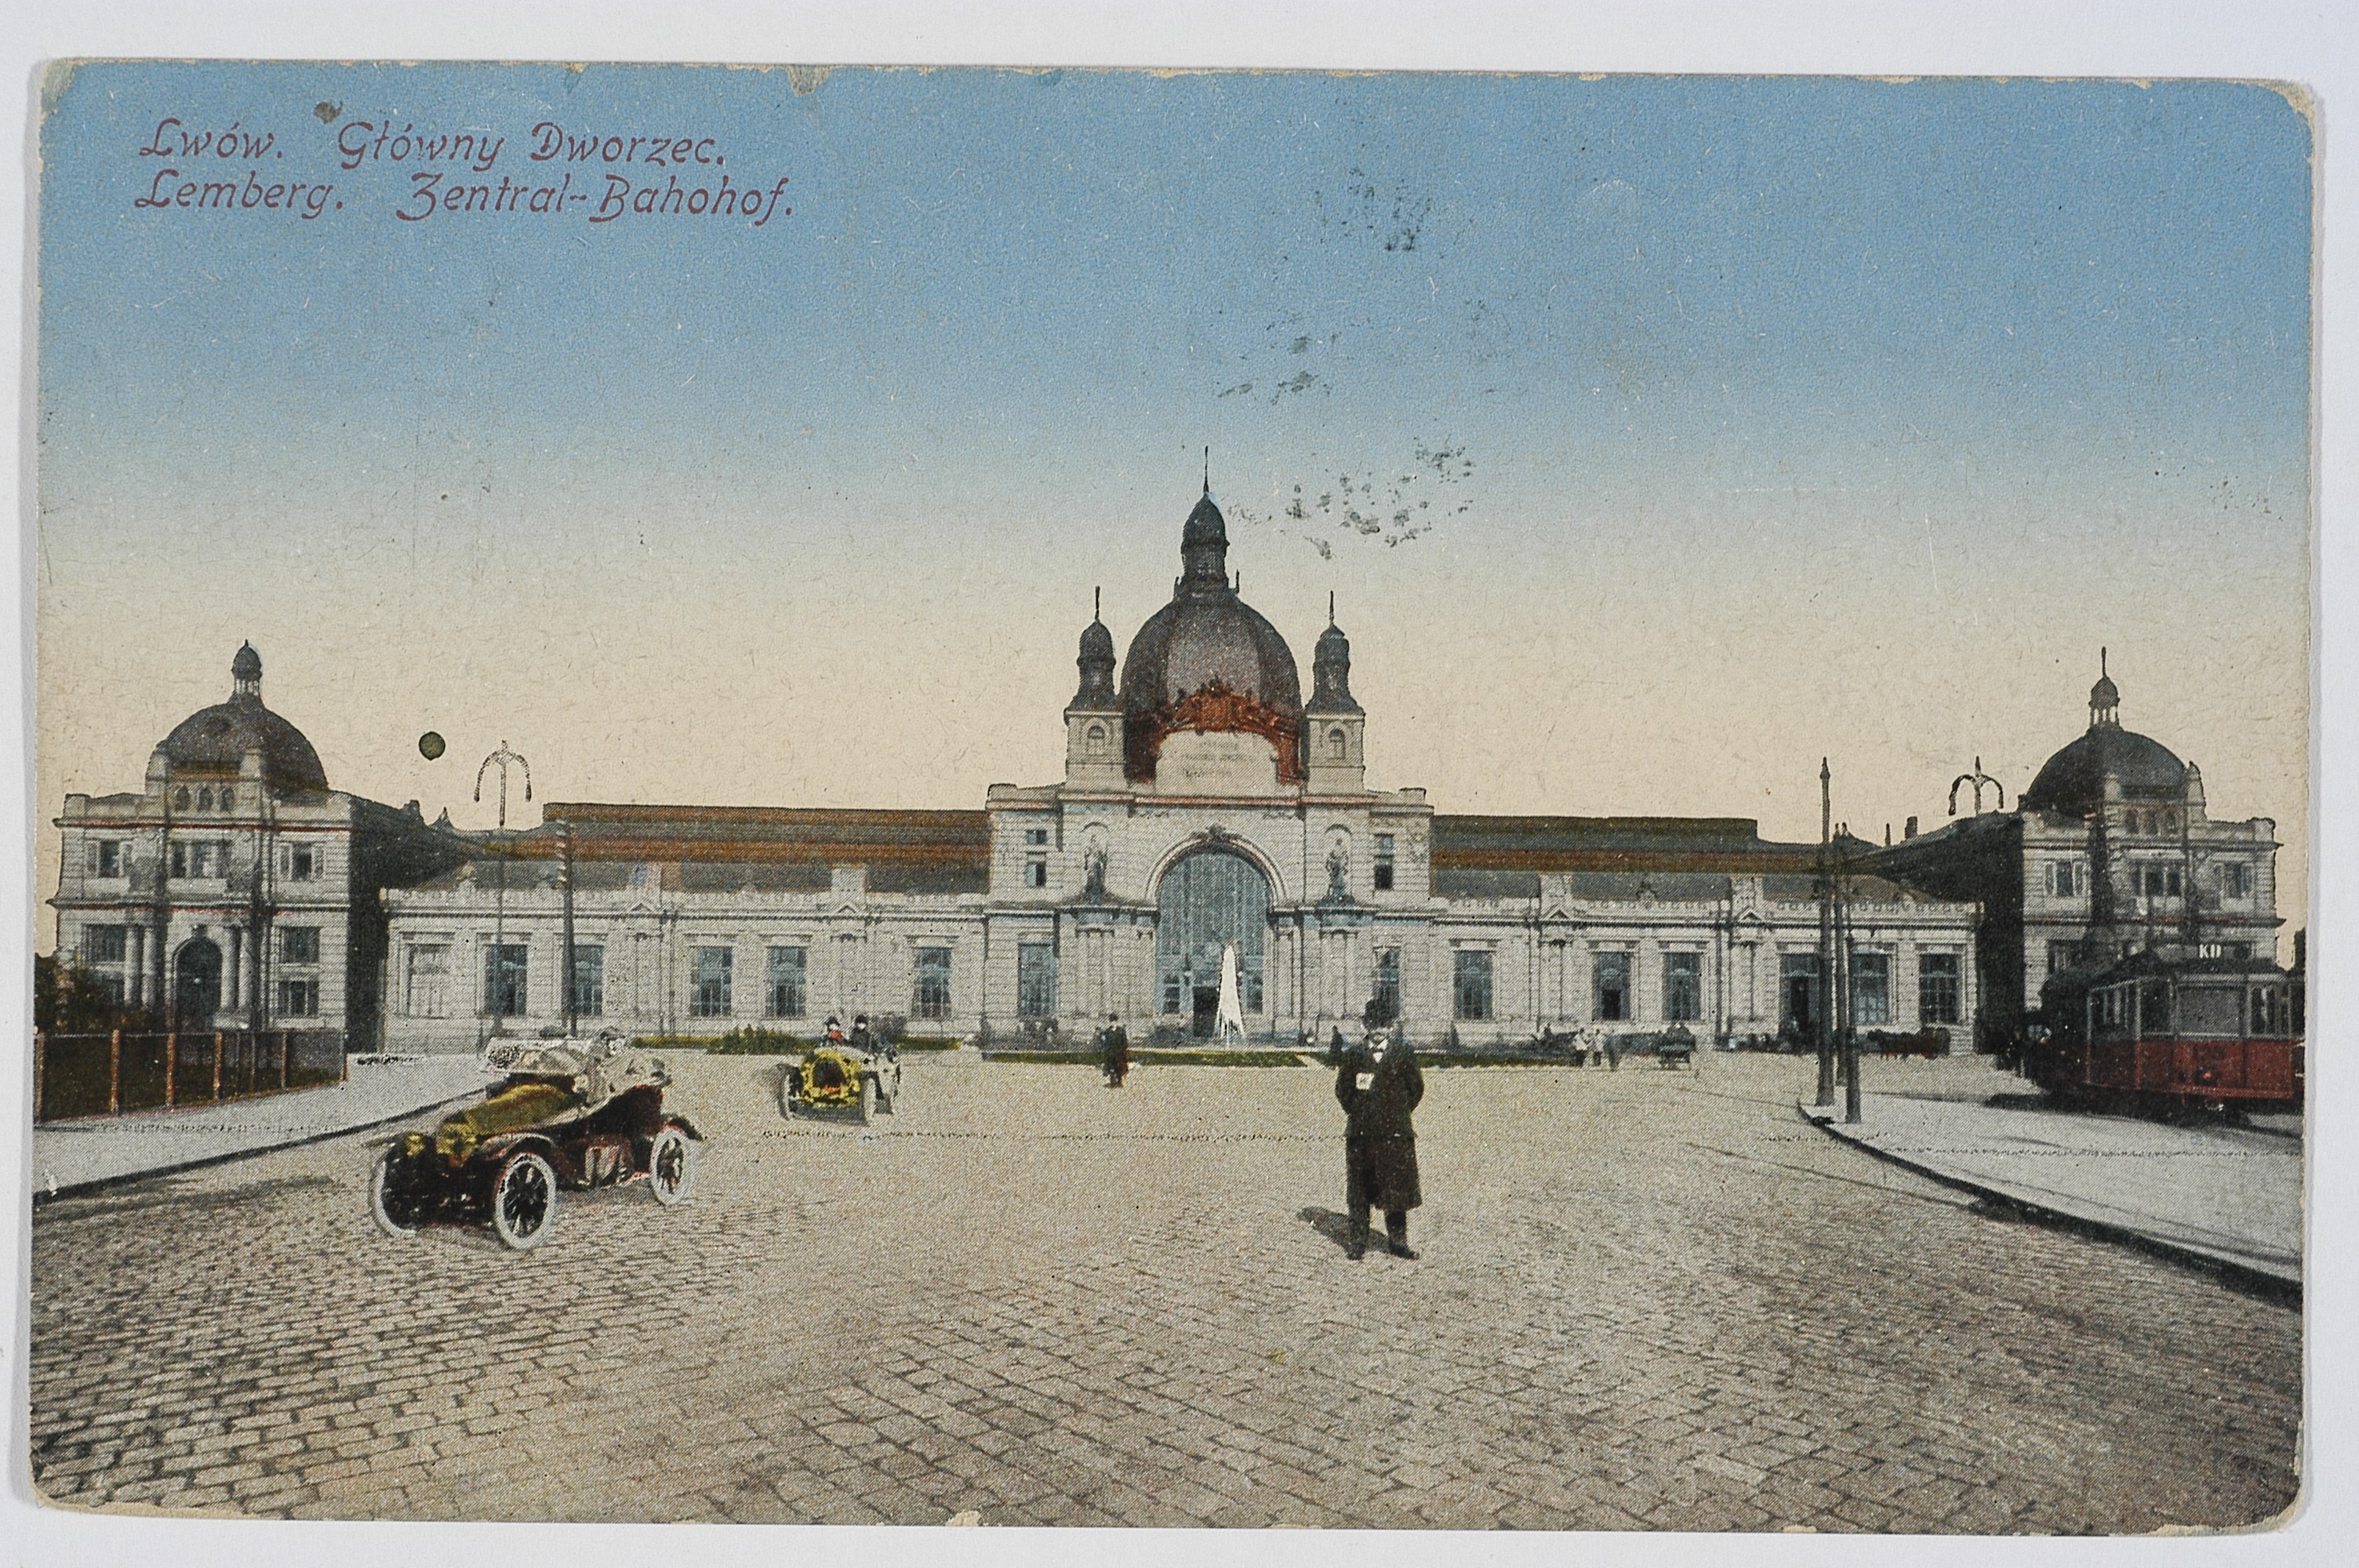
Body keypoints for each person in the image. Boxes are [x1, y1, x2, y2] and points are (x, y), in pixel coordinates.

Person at [1335, 997, 1423, 1260]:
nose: (1378, 1030)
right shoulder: (1354, 1054)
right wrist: (1361, 1113)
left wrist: (1395, 1114)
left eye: (1384, 1025)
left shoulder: (1404, 1054)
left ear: (1392, 1026)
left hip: (1395, 1134)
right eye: (1373, 1024)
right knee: (1359, 1190)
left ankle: (1398, 1242)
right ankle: (1358, 1242)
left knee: (1395, 1189)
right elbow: (1343, 1091)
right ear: (1365, 1025)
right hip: (1361, 1134)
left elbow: (1416, 1089)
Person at [1096, 1013, 1130, 1087]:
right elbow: (1105, 1042)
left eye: (1114, 1021)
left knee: (1119, 1068)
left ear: (1117, 1022)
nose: (1113, 1023)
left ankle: (1119, 1082)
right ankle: (1112, 1082)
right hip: (1111, 1052)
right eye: (1111, 1021)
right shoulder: (1108, 1031)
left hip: (1119, 1052)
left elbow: (1124, 1041)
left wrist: (1125, 1049)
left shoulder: (1121, 1031)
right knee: (1112, 1068)